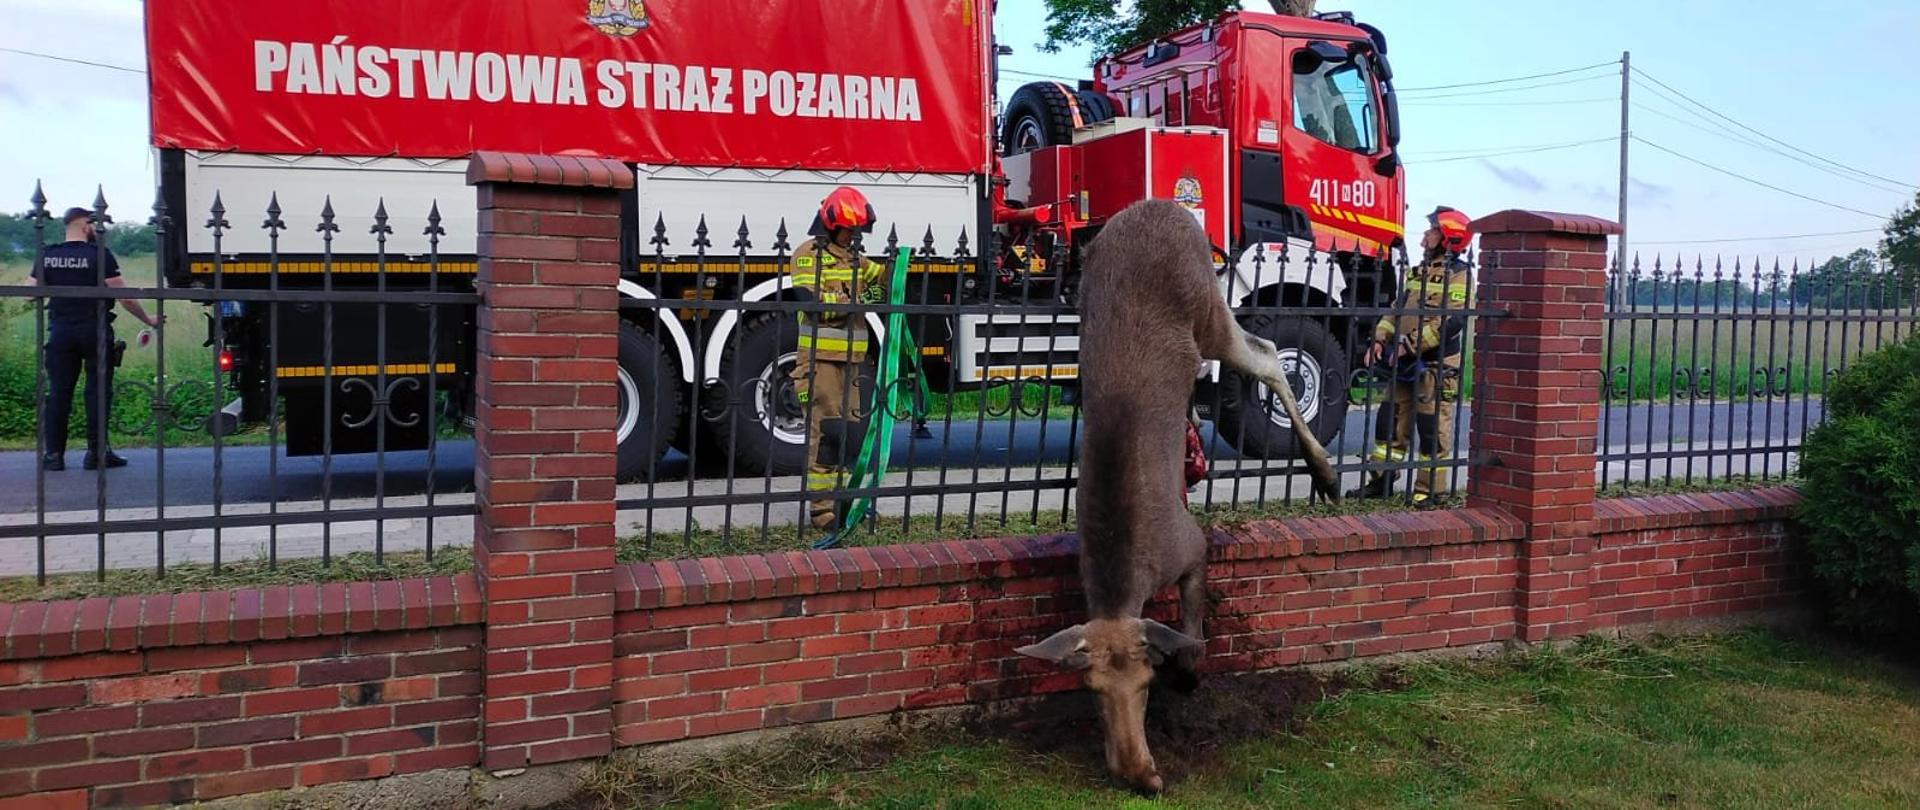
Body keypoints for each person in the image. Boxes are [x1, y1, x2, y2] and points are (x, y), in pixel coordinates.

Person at [1350, 205, 1473, 504]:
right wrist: (1380, 339)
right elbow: (1397, 308)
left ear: (1448, 238)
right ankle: (1381, 482)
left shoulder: (1459, 275)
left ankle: (1428, 492)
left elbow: (1451, 321)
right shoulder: (1418, 271)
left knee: (1432, 430)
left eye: (1431, 231)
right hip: (1402, 361)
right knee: (1388, 423)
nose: (1424, 238)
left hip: (1435, 364)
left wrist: (1409, 344)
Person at [29, 206, 162, 471]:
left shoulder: (48, 254)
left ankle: (54, 455)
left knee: (58, 394)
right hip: (95, 330)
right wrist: (148, 320)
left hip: (60, 331)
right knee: (98, 392)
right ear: (86, 225)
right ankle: (97, 453)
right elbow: (123, 296)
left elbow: (28, 293)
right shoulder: (99, 255)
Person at [788, 187, 886, 530]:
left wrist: (898, 268)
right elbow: (813, 305)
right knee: (826, 435)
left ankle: (848, 504)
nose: (854, 236)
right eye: (849, 229)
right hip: (820, 362)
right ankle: (822, 512)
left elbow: (883, 287)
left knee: (851, 437)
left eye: (857, 230)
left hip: (852, 363)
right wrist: (853, 297)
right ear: (830, 225)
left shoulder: (856, 259)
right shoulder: (806, 256)